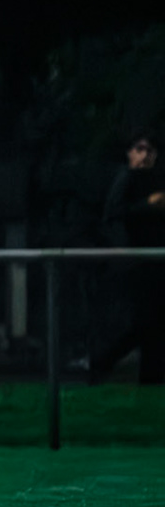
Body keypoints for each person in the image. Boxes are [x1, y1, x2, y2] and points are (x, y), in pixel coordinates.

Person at [89, 129, 165, 385]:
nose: (145, 156)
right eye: (140, 149)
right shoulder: (127, 178)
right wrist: (147, 205)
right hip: (136, 261)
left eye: (150, 151)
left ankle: (141, 374)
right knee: (147, 322)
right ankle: (106, 362)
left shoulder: (153, 178)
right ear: (130, 153)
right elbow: (114, 214)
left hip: (152, 260)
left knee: (150, 322)